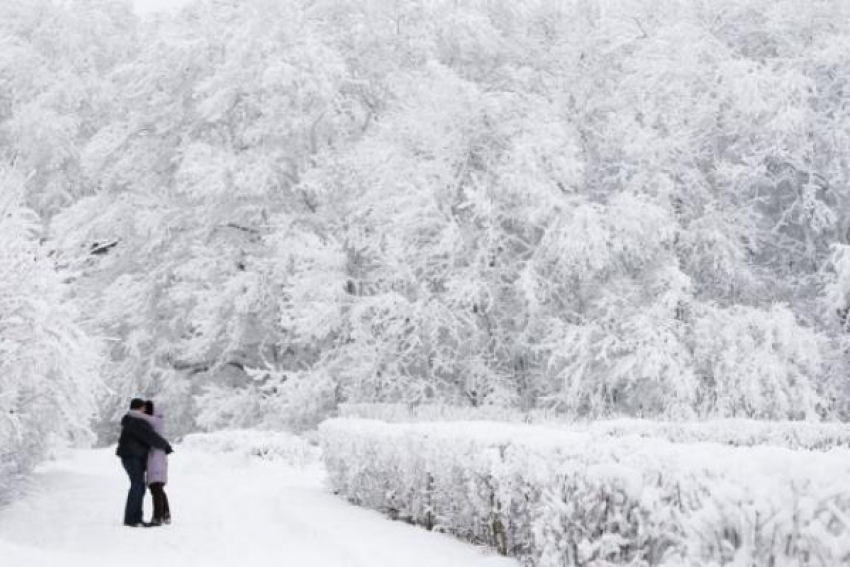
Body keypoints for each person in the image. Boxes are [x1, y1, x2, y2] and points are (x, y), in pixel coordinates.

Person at [115, 398, 173, 527]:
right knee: (137, 485)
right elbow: (149, 436)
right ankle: (131, 519)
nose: (145, 410)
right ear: (139, 408)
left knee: (139, 486)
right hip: (132, 456)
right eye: (143, 408)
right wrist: (165, 445)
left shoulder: (134, 420)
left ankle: (136, 518)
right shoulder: (135, 421)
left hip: (134, 456)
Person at [142, 400, 171, 526]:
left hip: (155, 456)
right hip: (158, 455)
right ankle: (165, 514)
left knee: (155, 487)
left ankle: (158, 517)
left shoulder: (152, 421)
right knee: (158, 487)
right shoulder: (158, 420)